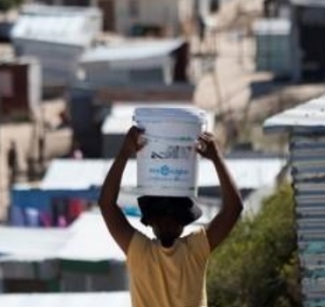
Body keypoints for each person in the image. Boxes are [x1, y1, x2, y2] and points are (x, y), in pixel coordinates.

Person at [98, 126, 243, 307]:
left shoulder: (139, 252)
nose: (167, 222)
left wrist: (125, 152)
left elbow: (106, 204)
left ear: (150, 221)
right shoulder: (194, 250)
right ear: (183, 223)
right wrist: (216, 158)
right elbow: (234, 208)